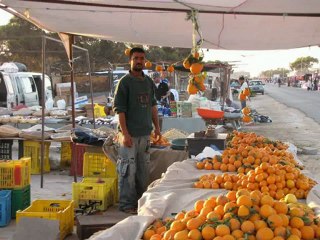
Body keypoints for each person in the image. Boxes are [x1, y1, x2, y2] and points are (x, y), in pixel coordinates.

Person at [113, 47, 161, 214]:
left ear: (144, 60)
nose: (139, 61)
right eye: (136, 58)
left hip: (145, 135)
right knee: (128, 170)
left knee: (142, 170)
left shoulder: (148, 82)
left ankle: (141, 203)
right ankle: (126, 204)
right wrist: (125, 134)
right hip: (129, 136)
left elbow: (153, 106)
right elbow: (120, 110)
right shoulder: (124, 82)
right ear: (130, 61)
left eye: (141, 58)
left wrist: (158, 128)